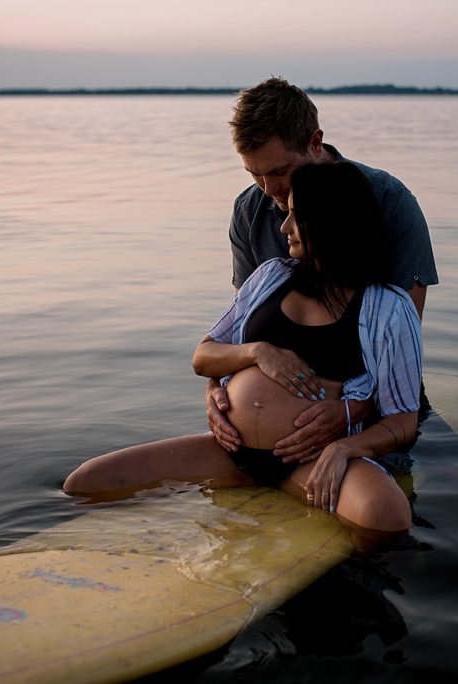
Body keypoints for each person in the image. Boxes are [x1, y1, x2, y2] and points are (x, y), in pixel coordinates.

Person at [64, 162, 423, 534]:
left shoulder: (387, 309)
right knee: (87, 482)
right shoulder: (270, 277)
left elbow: (403, 421)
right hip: (230, 453)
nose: (284, 227)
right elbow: (204, 356)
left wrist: (344, 449)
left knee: (388, 515)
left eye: (296, 217)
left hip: (311, 460)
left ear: (329, 222)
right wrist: (256, 352)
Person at [206, 77, 437, 462]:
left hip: (372, 421)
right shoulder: (250, 211)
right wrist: (217, 390)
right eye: (253, 174)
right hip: (262, 444)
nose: (269, 190)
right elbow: (238, 331)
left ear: (315, 142)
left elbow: (398, 336)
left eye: (279, 171)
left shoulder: (388, 201)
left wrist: (350, 413)